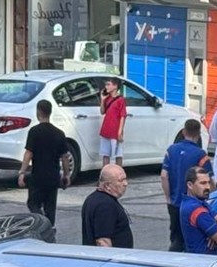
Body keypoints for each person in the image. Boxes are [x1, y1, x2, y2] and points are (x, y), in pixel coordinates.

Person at [160, 119, 212, 252]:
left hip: (174, 203)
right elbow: (210, 179)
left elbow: (164, 175)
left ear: (183, 132)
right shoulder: (200, 154)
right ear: (198, 134)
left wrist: (168, 199)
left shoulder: (171, 150)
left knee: (175, 237)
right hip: (192, 204)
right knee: (190, 240)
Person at [17, 99, 70, 229]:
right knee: (50, 206)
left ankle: (42, 223)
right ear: (50, 112)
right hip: (53, 175)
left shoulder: (34, 131)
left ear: (38, 112)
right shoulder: (59, 133)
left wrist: (22, 172)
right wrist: (66, 175)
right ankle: (49, 227)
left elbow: (29, 153)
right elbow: (65, 157)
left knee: (33, 203)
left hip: (38, 175)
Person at [180, 166, 217, 255]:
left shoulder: (200, 201)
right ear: (190, 185)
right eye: (203, 183)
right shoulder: (197, 210)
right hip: (206, 262)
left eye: (208, 182)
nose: (208, 187)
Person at [81, 164, 133, 249]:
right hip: (115, 259)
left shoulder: (93, 198)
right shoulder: (105, 206)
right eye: (121, 180)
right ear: (107, 186)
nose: (125, 184)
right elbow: (103, 241)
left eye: (125, 179)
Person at [99, 77, 127, 166]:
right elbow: (102, 111)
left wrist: (119, 132)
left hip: (115, 131)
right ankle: (105, 174)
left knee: (118, 154)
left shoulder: (120, 100)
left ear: (115, 86)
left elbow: (123, 116)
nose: (106, 87)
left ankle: (119, 174)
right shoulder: (107, 98)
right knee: (105, 154)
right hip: (106, 130)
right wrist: (102, 100)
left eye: (108, 84)